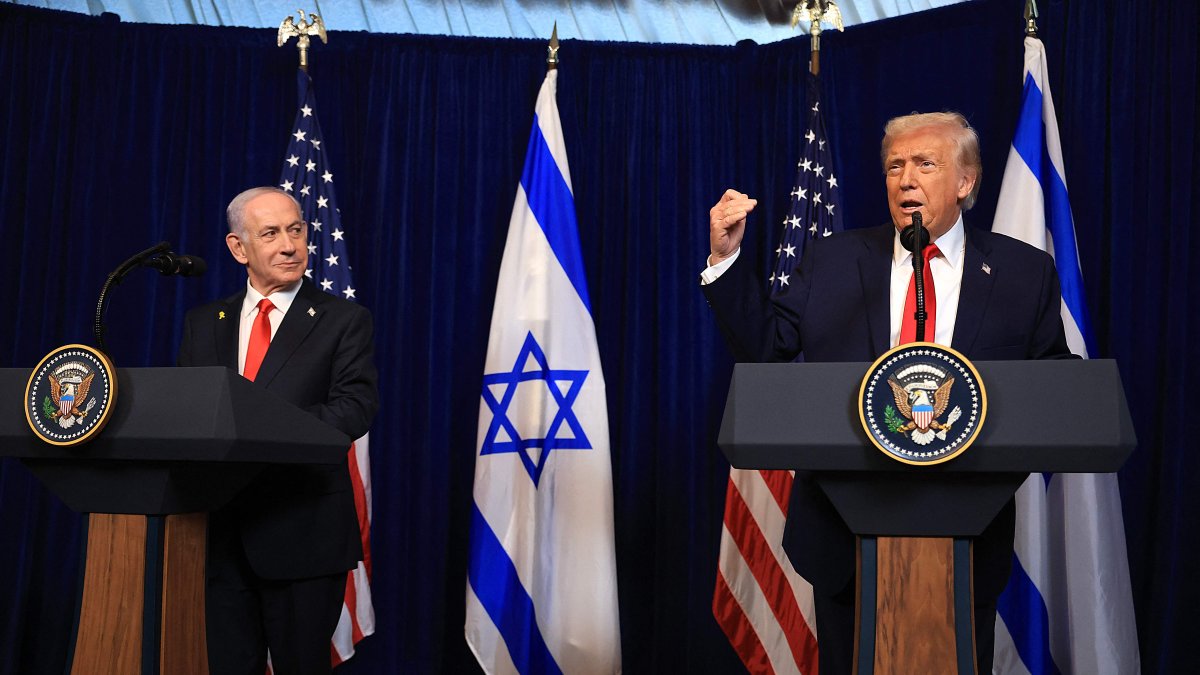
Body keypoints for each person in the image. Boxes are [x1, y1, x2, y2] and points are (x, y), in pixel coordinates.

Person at [701, 112, 1073, 674]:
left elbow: (1054, 390)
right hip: (842, 538)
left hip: (967, 538)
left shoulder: (1024, 274)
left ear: (965, 181)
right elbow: (764, 348)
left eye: (925, 163)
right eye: (895, 165)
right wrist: (726, 259)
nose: (906, 179)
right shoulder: (832, 261)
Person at [178, 186, 379, 674]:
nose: (289, 245)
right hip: (222, 537)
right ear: (238, 248)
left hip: (304, 534)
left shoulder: (343, 319)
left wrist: (261, 429)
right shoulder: (205, 323)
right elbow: (190, 412)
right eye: (271, 233)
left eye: (296, 230)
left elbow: (354, 409)